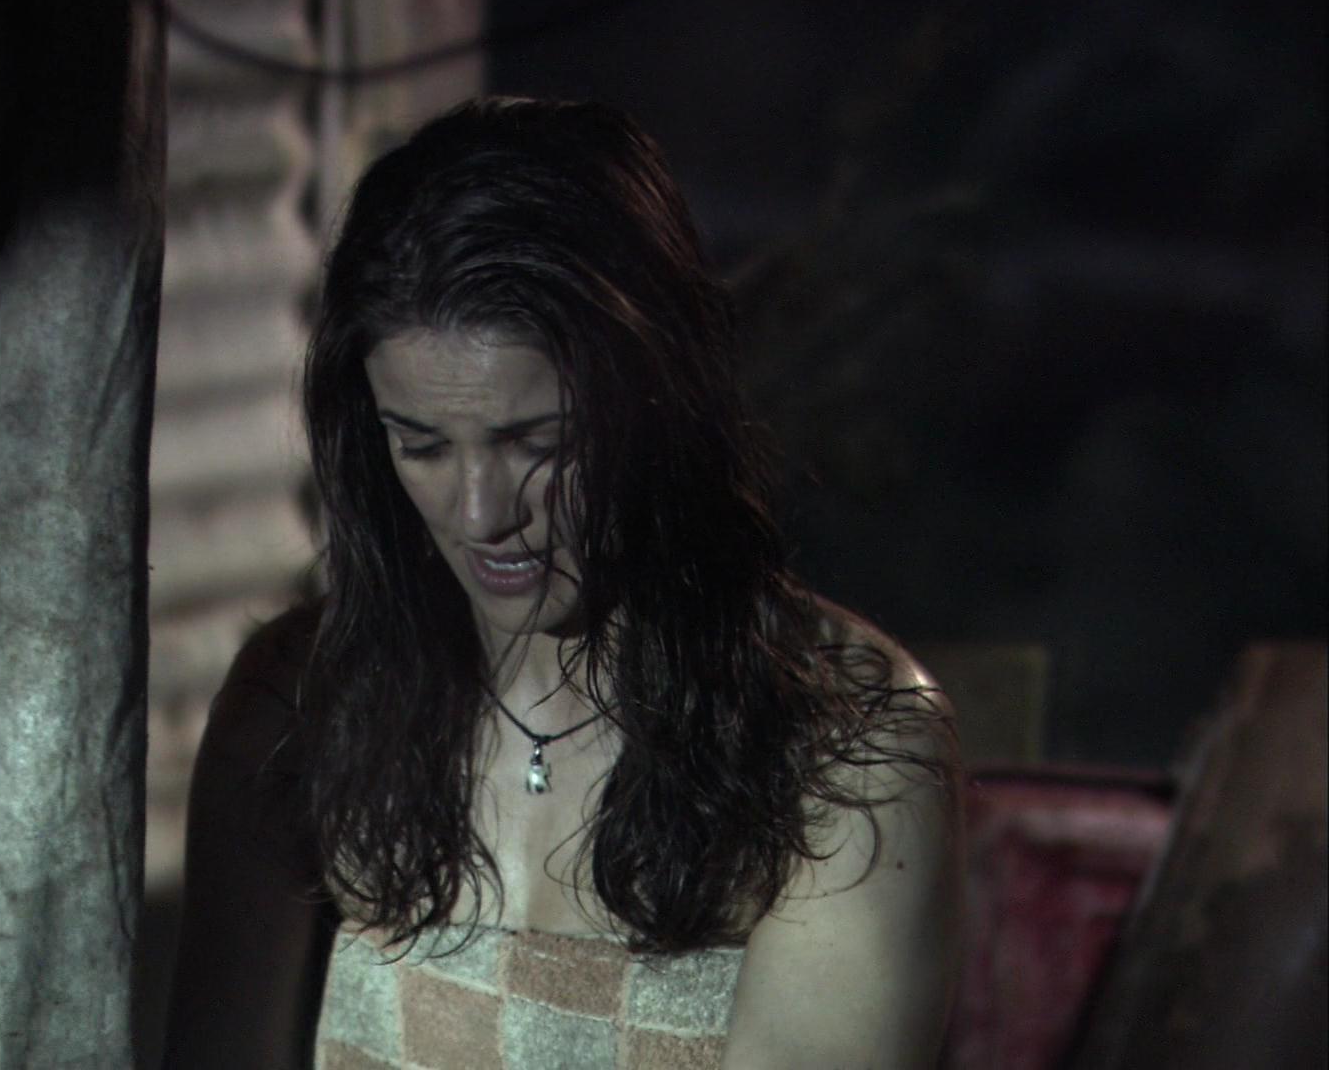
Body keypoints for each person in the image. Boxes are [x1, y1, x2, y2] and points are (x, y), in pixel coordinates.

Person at [163, 96, 961, 1069]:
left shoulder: (843, 752)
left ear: (656, 398)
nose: (481, 512)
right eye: (422, 446)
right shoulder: (298, 702)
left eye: (538, 443)